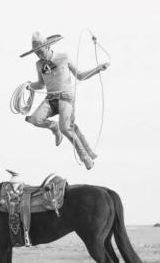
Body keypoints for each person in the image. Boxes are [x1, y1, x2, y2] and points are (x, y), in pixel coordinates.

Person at [19, 32, 110, 170]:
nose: (39, 55)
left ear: (48, 47)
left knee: (66, 127)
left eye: (41, 51)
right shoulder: (38, 65)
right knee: (35, 119)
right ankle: (53, 127)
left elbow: (80, 75)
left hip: (66, 97)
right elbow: (41, 84)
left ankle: (85, 156)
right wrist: (29, 85)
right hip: (50, 98)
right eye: (36, 53)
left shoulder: (63, 57)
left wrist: (98, 69)